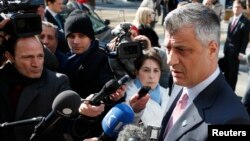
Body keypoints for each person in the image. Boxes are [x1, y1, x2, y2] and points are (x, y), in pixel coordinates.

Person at [158, 3, 250, 141]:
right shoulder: (182, 82)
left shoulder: (233, 120)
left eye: (181, 50)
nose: (170, 61)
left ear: (212, 50)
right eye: (168, 48)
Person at [62, 9, 125, 140]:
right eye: (72, 36)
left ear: (90, 37)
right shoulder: (68, 60)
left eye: (81, 36)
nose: (76, 41)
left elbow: (105, 82)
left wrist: (113, 96)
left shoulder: (99, 58)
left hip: (95, 130)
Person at [125, 48, 170, 127]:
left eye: (156, 71)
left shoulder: (165, 93)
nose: (151, 76)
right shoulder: (126, 93)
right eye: (146, 70)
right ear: (137, 72)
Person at [220, 0, 250, 91]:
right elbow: (228, 37)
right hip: (227, 50)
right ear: (232, 8)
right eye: (235, 7)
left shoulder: (245, 22)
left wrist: (241, 52)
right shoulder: (230, 19)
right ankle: (225, 91)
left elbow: (245, 39)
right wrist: (224, 49)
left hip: (236, 53)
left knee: (233, 74)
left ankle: (231, 92)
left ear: (242, 9)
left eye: (238, 7)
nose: (236, 9)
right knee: (226, 72)